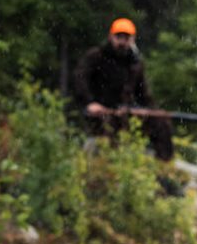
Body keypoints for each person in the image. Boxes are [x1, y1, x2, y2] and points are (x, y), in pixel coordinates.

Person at [73, 17, 173, 161]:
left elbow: (143, 93)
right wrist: (90, 103)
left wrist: (149, 110)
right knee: (109, 129)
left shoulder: (135, 64)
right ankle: (107, 166)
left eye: (126, 37)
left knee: (161, 122)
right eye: (119, 36)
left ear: (132, 39)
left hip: (125, 112)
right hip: (99, 113)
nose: (122, 41)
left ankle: (163, 167)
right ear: (111, 37)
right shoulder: (96, 56)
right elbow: (79, 79)